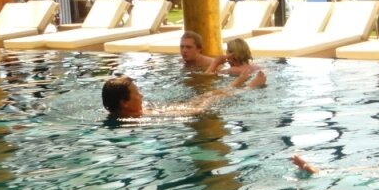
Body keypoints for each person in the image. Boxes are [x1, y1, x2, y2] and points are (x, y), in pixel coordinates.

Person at [102, 71, 266, 119]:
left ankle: (236, 84)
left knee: (205, 96)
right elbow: (197, 112)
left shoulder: (132, 112)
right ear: (124, 102)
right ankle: (248, 87)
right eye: (137, 94)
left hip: (171, 109)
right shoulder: (137, 120)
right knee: (206, 101)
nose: (142, 96)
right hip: (180, 111)